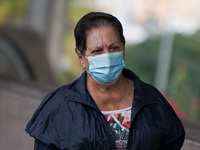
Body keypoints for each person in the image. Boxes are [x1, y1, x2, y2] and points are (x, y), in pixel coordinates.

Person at [26, 12, 185, 150]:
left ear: (123, 49)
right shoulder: (59, 105)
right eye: (97, 51)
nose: (107, 56)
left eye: (114, 48)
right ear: (81, 57)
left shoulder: (151, 100)